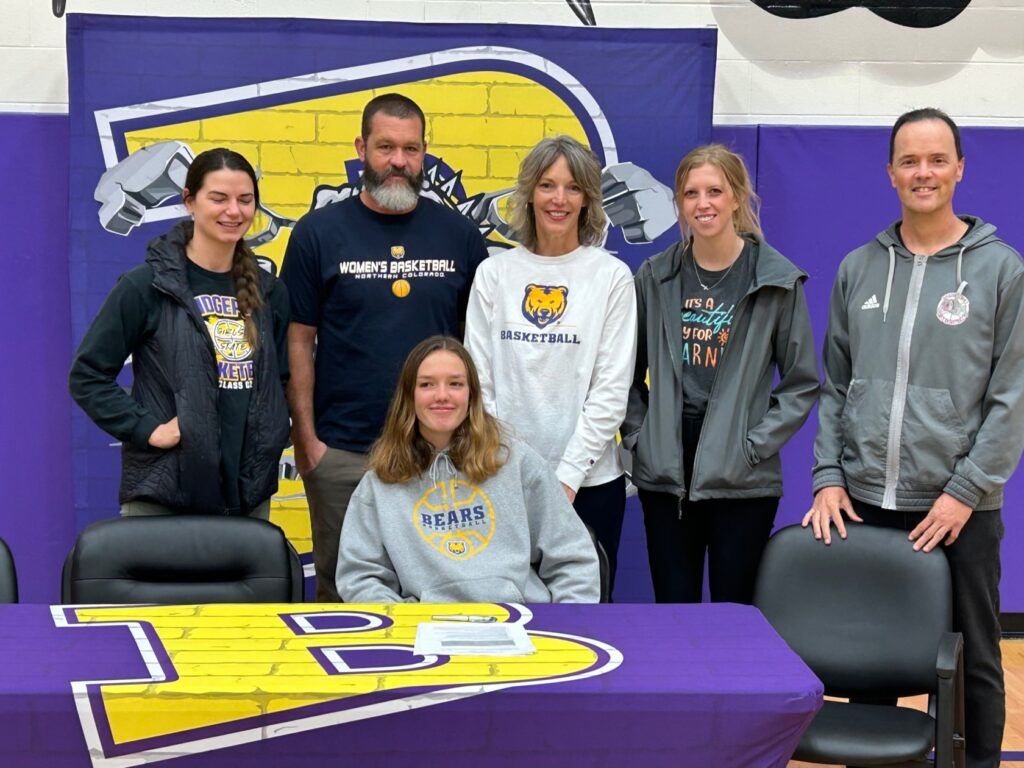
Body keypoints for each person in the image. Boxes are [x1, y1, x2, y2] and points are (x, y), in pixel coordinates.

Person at [804, 108, 1024, 768]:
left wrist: (964, 492)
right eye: (909, 160)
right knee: (871, 662)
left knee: (974, 655)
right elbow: (835, 387)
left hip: (958, 509)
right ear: (890, 173)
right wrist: (828, 476)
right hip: (866, 500)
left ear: (959, 168)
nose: (922, 172)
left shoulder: (1000, 271)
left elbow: (1012, 400)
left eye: (935, 159)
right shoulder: (859, 268)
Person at [281, 93, 489, 601]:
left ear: (424, 153)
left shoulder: (461, 236)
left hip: (438, 452)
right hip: (344, 450)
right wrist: (308, 442)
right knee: (343, 592)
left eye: (411, 149)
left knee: (441, 586)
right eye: (385, 147)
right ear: (361, 148)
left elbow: (479, 348)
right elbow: (298, 341)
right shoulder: (317, 234)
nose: (399, 161)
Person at [622, 144, 818, 604]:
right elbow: (624, 374)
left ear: (737, 197)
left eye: (714, 191)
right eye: (691, 193)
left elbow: (801, 382)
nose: (702, 203)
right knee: (674, 607)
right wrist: (640, 437)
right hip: (666, 470)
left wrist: (755, 445)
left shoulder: (775, 281)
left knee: (736, 611)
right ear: (679, 203)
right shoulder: (655, 276)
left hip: (741, 473)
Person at [69, 148, 291, 517]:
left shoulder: (270, 292)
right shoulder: (147, 285)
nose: (233, 211)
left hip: (248, 492)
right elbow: (87, 375)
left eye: (245, 200)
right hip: (163, 491)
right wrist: (148, 428)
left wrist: (271, 435)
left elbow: (281, 380)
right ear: (189, 201)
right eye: (218, 198)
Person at [464, 135, 636, 593]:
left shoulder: (612, 277)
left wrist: (564, 480)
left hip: (590, 484)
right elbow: (479, 383)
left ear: (587, 199)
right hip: (503, 480)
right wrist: (512, 470)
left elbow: (611, 391)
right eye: (546, 185)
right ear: (528, 194)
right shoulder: (494, 274)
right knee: (506, 613)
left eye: (573, 187)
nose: (559, 199)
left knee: (588, 624)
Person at [336, 336, 600, 603]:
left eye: (455, 384)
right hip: (424, 634)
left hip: (522, 628)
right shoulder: (381, 481)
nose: (442, 395)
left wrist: (563, 625)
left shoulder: (517, 461)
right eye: (427, 384)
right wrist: (407, 626)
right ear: (408, 395)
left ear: (472, 393)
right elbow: (361, 577)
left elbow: (573, 561)